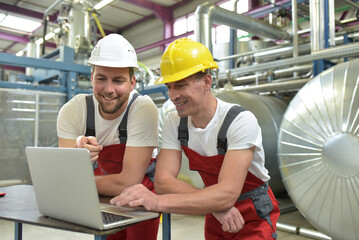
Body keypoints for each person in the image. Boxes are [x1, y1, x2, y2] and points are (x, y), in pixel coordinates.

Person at [110, 38, 280, 239]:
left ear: (207, 82)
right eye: (169, 87)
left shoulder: (239, 121)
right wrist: (215, 206)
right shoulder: (176, 121)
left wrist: (155, 202)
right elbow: (163, 182)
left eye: (180, 86)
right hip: (212, 210)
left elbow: (227, 193)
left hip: (253, 212)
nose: (172, 96)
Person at [56, 34, 160, 240]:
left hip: (141, 196)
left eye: (118, 81)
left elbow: (129, 182)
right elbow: (62, 176)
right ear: (92, 77)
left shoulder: (143, 109)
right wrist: (76, 156)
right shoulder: (74, 111)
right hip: (104, 196)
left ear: (132, 83)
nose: (109, 89)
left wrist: (77, 178)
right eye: (101, 79)